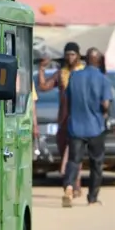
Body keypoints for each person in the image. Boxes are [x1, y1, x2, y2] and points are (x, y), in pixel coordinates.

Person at [61, 48, 112, 207]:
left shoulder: (74, 76)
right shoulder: (103, 79)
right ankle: (92, 198)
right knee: (96, 163)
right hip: (95, 127)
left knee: (74, 161)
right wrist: (105, 111)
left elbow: (67, 100)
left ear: (86, 59)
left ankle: (69, 186)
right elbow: (105, 104)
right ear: (98, 61)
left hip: (76, 126)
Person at [38, 42, 85, 198]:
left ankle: (74, 184)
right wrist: (41, 69)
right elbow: (44, 87)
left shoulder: (83, 73)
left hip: (78, 118)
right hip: (63, 119)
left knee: (75, 152)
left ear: (78, 56)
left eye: (72, 54)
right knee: (63, 147)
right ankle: (72, 183)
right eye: (67, 54)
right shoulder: (61, 73)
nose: (70, 57)